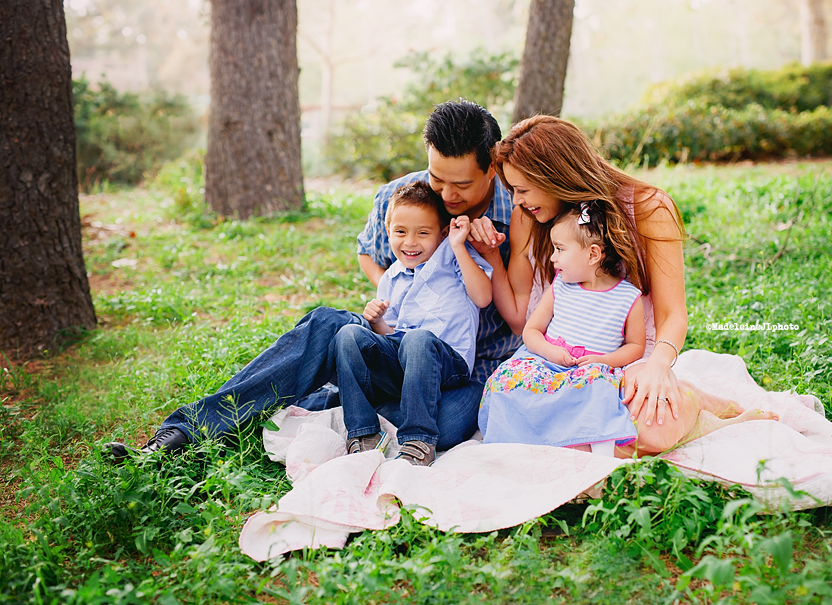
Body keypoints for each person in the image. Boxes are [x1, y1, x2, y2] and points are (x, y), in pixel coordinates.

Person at [107, 99, 520, 460]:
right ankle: (186, 431)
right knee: (328, 326)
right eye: (437, 178)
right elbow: (370, 254)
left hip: (465, 364)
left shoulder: (517, 207)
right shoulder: (400, 197)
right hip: (395, 339)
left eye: (461, 184)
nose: (446, 194)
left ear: (491, 166)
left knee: (446, 426)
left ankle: (327, 397)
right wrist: (396, 293)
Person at [469, 115, 776, 453]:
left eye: (523, 190)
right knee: (526, 429)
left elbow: (672, 313)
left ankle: (702, 409)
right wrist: (492, 258)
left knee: (641, 428)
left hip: (626, 366)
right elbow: (521, 320)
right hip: (560, 369)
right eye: (512, 191)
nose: (516, 201)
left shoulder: (649, 209)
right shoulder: (529, 218)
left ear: (555, 176)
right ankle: (695, 417)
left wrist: (658, 366)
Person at [337, 182, 493, 466]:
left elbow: (482, 297)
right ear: (388, 231)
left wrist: (458, 246)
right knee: (348, 334)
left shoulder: (454, 259)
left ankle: (418, 441)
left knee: (418, 339)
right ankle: (363, 432)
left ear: (442, 233)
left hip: (449, 363)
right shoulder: (391, 278)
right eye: (400, 232)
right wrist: (378, 322)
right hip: (405, 360)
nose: (410, 242)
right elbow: (393, 335)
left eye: (423, 233)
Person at [479, 202, 646, 456]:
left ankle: (593, 446)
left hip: (588, 370)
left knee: (599, 390)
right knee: (508, 378)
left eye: (559, 249)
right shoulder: (561, 286)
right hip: (545, 361)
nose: (553, 257)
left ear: (592, 255)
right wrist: (549, 352)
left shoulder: (628, 297)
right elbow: (531, 331)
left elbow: (636, 346)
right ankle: (513, 437)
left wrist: (604, 360)